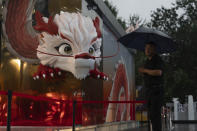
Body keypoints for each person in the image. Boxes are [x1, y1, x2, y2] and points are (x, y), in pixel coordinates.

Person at [138, 41, 164, 131]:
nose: (147, 50)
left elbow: (158, 72)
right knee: (150, 115)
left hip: (156, 91)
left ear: (154, 49)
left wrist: (145, 71)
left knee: (155, 115)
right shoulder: (147, 61)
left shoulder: (157, 59)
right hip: (148, 91)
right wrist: (143, 72)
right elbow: (148, 73)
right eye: (146, 48)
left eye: (149, 48)